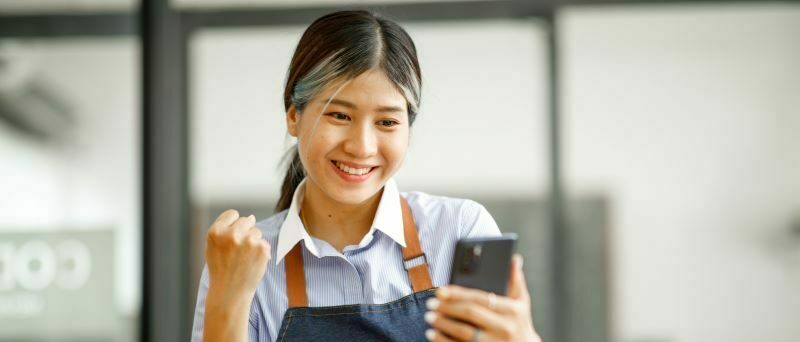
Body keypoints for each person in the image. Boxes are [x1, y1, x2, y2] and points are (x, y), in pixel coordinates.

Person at [190, 10, 541, 342]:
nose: (362, 147)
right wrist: (229, 299)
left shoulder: (460, 230)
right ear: (294, 116)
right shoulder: (245, 265)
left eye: (387, 122)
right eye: (340, 115)